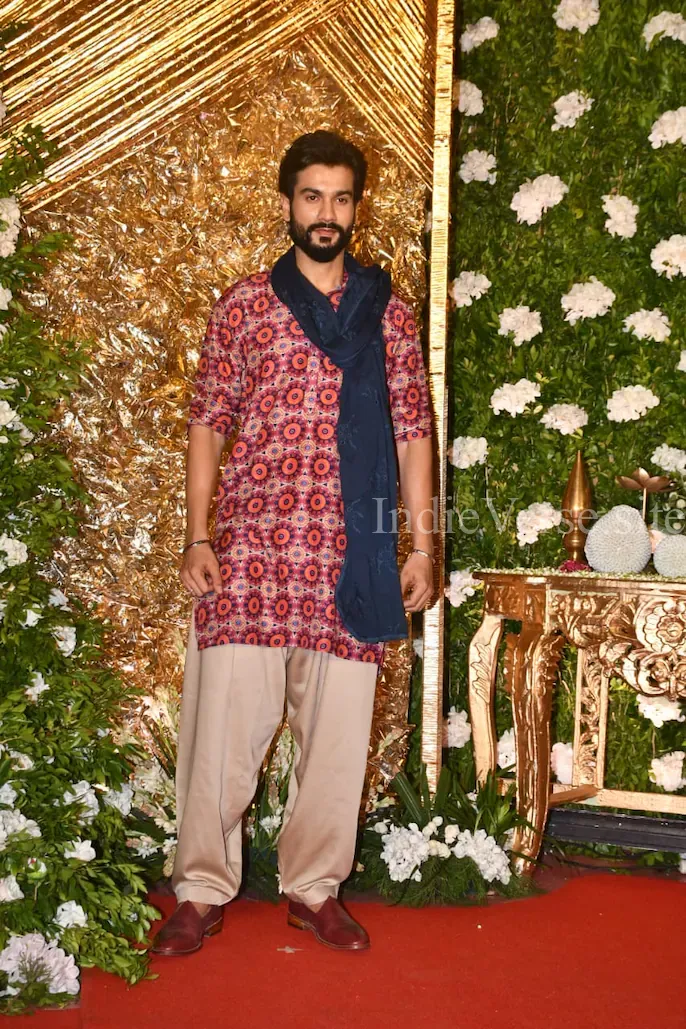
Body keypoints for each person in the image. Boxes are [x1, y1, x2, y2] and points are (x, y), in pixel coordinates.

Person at [152, 130, 434, 956]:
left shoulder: (388, 314)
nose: (327, 213)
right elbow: (209, 421)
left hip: (353, 553)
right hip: (253, 548)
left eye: (341, 197)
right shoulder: (244, 305)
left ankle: (314, 887)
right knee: (222, 730)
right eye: (313, 196)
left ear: (357, 207)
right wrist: (197, 534)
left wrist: (421, 546)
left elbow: (413, 431)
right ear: (288, 203)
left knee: (339, 736)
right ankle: (200, 888)